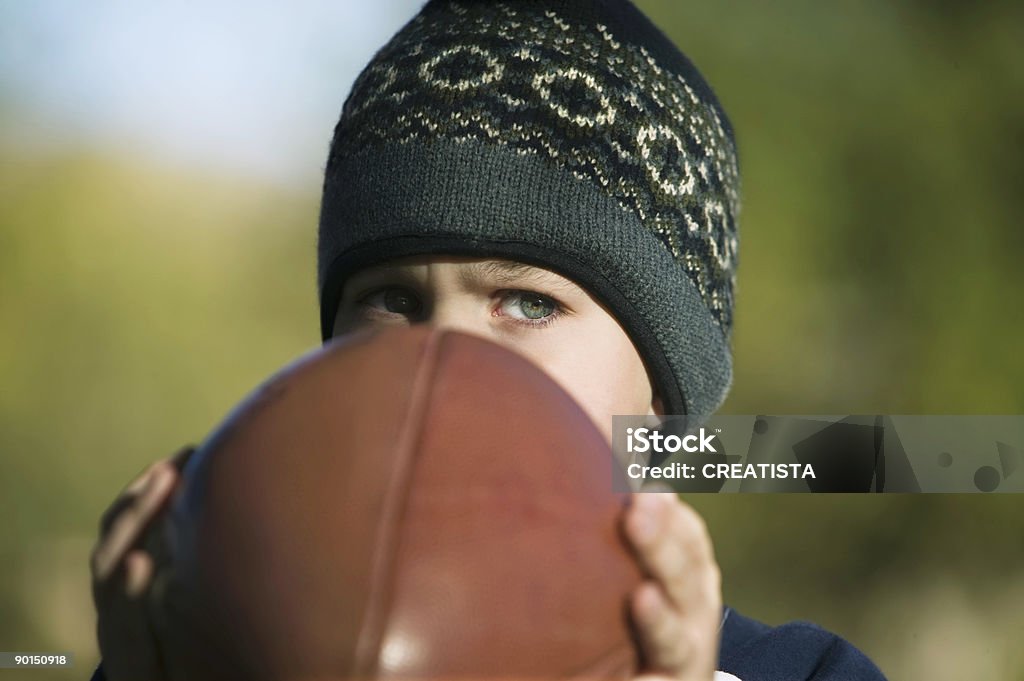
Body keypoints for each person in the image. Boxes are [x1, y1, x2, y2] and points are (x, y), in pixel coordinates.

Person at [90, 1, 887, 679]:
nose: (444, 358)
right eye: (392, 300)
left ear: (662, 396)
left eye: (527, 304)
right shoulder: (206, 641)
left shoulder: (808, 673)